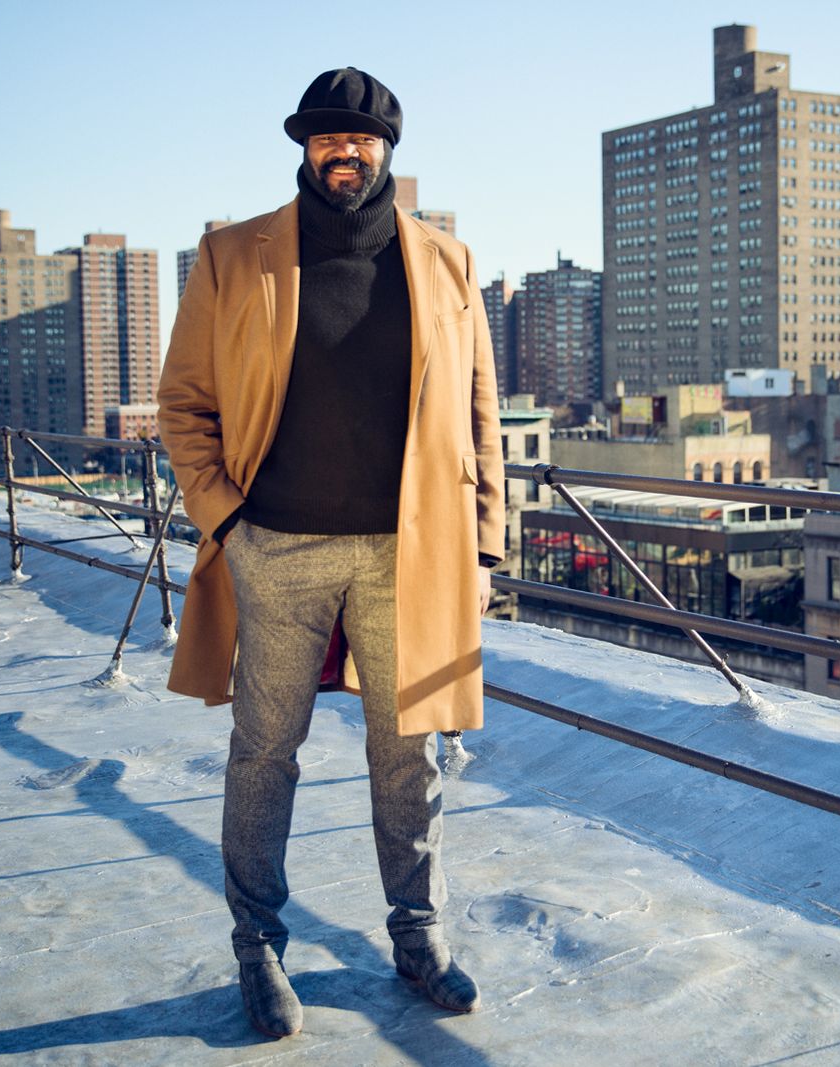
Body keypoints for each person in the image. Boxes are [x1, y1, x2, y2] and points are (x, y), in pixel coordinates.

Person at [156, 66, 505, 1038]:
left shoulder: (446, 260)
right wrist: (228, 523)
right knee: (265, 753)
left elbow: (480, 413)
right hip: (278, 549)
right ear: (303, 148)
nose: (339, 152)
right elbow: (184, 404)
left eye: (357, 139)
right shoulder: (234, 254)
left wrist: (484, 545)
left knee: (412, 758)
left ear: (386, 149)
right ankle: (257, 946)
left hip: (412, 558)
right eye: (322, 137)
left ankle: (418, 936)